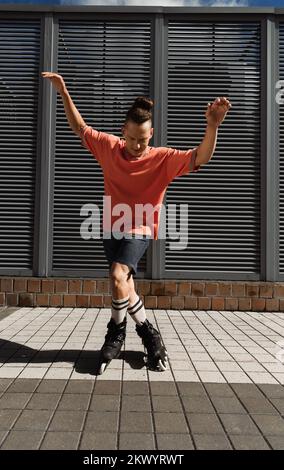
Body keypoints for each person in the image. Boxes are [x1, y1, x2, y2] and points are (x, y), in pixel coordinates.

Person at [41, 71, 232, 374]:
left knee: (117, 275)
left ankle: (115, 334)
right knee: (125, 285)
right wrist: (63, 92)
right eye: (131, 138)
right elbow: (79, 127)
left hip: (140, 227)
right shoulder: (109, 147)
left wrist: (212, 126)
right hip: (110, 227)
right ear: (123, 132)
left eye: (142, 140)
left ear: (151, 134)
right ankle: (149, 334)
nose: (136, 145)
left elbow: (201, 158)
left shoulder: (162, 158)